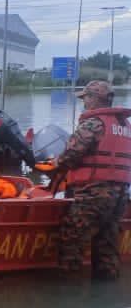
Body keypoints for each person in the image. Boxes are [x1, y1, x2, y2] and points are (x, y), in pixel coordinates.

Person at [50, 80, 131, 280]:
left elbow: (71, 155)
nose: (84, 102)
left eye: (85, 98)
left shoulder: (94, 123)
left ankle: (68, 290)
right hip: (120, 194)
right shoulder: (124, 126)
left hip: (94, 192)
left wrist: (55, 163)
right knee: (107, 242)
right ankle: (107, 284)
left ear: (94, 99)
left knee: (72, 237)